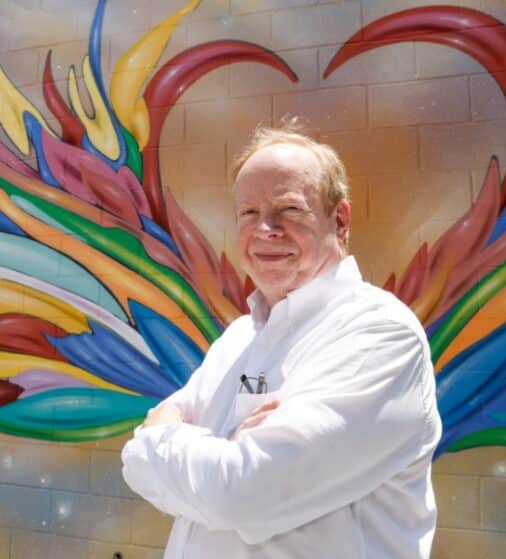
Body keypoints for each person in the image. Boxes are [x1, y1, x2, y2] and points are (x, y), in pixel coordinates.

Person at [121, 118, 442, 558]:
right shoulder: (240, 337)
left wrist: (165, 443)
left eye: (289, 210)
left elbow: (242, 495)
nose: (265, 230)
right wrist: (218, 451)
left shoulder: (379, 335)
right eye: (249, 213)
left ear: (340, 219)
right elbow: (137, 455)